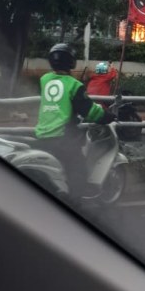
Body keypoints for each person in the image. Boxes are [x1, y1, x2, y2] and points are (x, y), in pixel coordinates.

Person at [35, 44, 113, 197]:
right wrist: (106, 116)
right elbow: (89, 111)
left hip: (42, 134)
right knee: (78, 169)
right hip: (62, 137)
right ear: (71, 62)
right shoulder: (74, 85)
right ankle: (76, 201)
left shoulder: (44, 80)